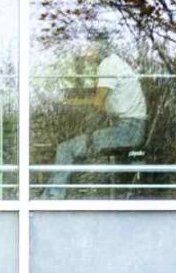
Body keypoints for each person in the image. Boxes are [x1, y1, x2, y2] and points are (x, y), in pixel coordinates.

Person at [46, 42, 147, 196]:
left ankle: (51, 200)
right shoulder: (117, 63)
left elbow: (98, 104)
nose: (84, 54)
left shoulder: (107, 65)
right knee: (77, 145)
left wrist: (69, 102)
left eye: (87, 49)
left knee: (65, 149)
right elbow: (107, 102)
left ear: (97, 48)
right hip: (133, 129)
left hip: (127, 130)